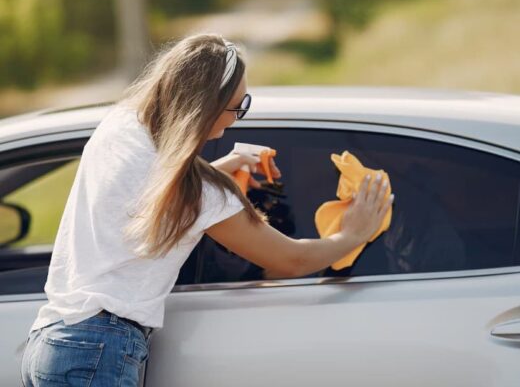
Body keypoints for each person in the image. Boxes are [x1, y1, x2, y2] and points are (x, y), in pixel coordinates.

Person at [20, 33, 393, 386]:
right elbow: (289, 260)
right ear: (205, 107)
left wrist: (222, 166)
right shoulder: (203, 194)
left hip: (52, 341)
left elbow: (146, 195)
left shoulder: (121, 127)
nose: (236, 118)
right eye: (237, 106)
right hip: (99, 349)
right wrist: (353, 234)